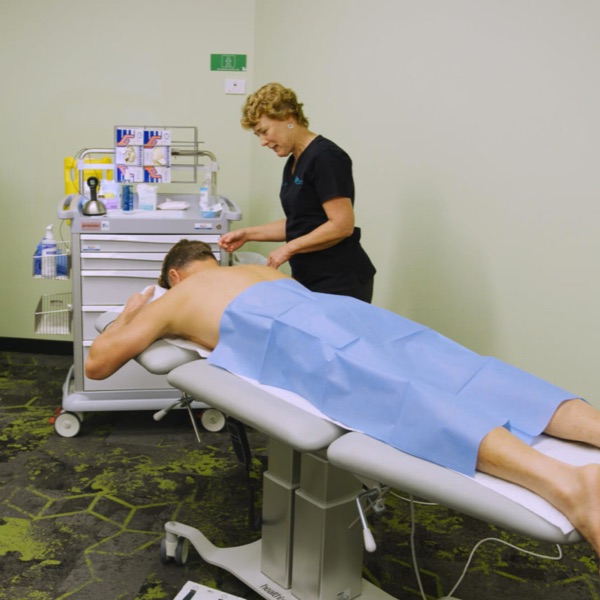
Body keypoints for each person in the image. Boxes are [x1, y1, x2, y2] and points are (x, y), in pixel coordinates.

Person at [86, 240, 600, 566]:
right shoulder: (257, 271)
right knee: (459, 369)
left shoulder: (177, 296)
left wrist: (133, 311)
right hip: (342, 311)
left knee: (408, 397)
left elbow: (98, 362)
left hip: (296, 333)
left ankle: (565, 482)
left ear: (175, 276)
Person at [218, 82, 376, 303]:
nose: (262, 142)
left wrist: (288, 249)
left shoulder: (326, 157)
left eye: (264, 131)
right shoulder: (294, 161)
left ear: (287, 116)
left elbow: (342, 225)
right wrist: (248, 234)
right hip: (310, 275)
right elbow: (301, 222)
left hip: (340, 279)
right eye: (257, 135)